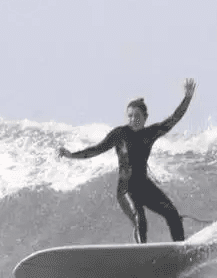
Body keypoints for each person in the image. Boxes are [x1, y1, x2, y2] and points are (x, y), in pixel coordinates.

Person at [58, 78, 196, 244]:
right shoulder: (120, 134)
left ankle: (180, 248)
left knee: (172, 213)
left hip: (144, 186)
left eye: (137, 116)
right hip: (126, 190)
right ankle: (141, 253)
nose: (132, 119)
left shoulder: (150, 133)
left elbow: (173, 119)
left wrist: (187, 99)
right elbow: (96, 149)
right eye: (130, 116)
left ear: (145, 117)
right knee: (140, 219)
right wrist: (71, 155)